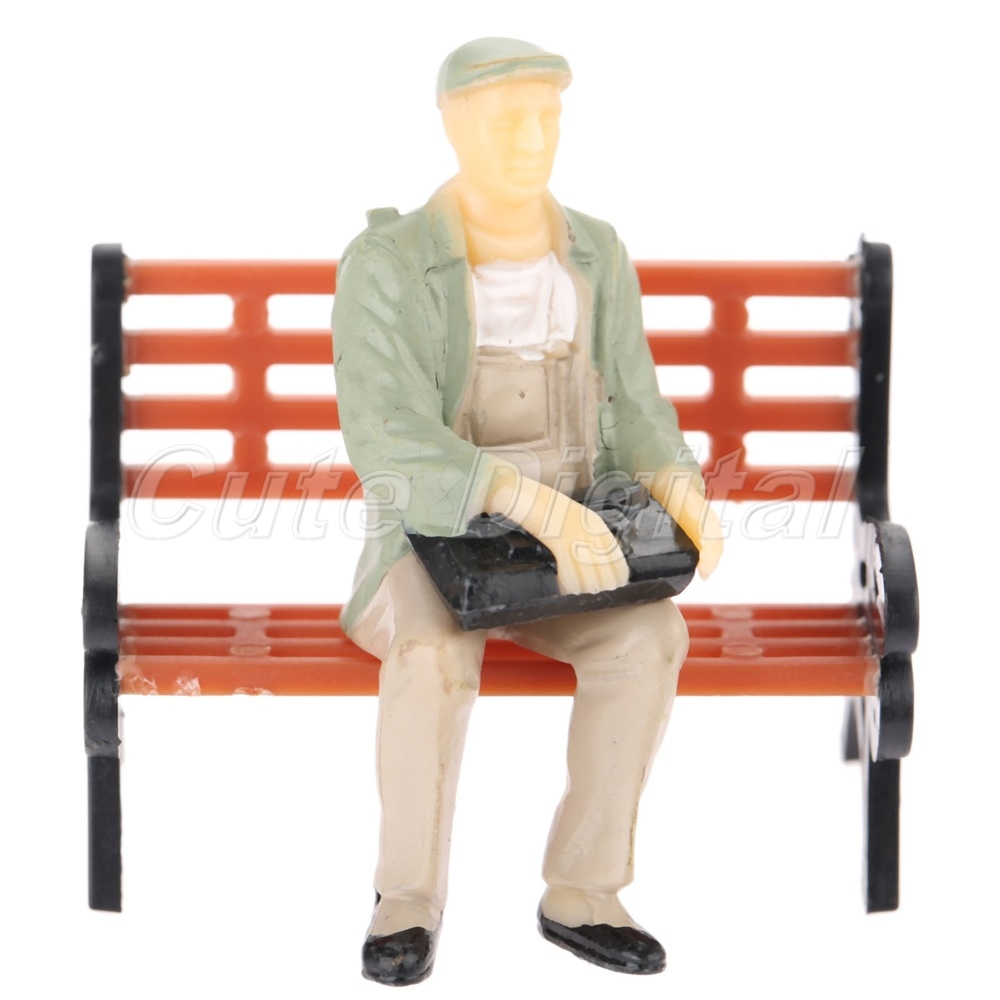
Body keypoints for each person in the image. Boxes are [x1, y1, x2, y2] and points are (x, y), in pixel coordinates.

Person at [332, 37, 722, 986]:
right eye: (508, 120)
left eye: (548, 118)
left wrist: (677, 482)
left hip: (566, 546)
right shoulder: (389, 263)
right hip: (433, 539)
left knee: (647, 640)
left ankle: (584, 890)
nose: (533, 139)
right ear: (454, 125)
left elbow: (635, 401)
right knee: (433, 656)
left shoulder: (594, 250)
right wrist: (529, 504)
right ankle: (407, 898)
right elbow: (388, 435)